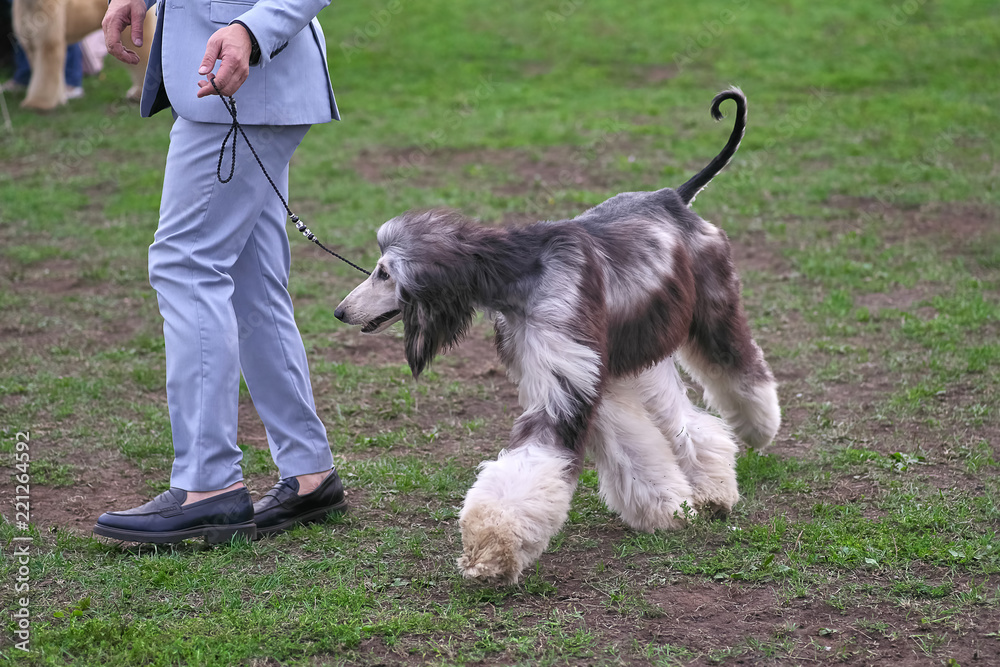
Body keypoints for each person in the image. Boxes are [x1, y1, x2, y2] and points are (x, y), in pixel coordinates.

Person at [93, 0, 346, 544]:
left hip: (243, 83)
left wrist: (252, 30)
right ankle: (309, 472)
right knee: (252, 284)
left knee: (185, 265)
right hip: (241, 87)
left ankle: (208, 485)